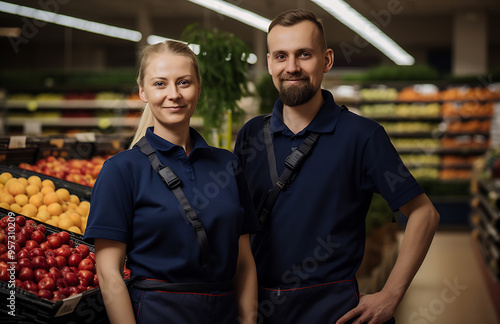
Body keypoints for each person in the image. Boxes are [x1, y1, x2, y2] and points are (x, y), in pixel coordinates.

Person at [234, 9, 440, 324]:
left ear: (327, 60)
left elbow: (424, 213)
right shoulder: (251, 134)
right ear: (269, 63)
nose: (292, 67)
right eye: (280, 56)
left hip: (333, 309)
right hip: (261, 309)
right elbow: (238, 226)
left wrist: (391, 294)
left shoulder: (362, 136)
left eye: (304, 55)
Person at [83, 40, 259, 324]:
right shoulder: (121, 170)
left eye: (184, 82)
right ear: (143, 91)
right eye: (160, 84)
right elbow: (109, 273)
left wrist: (248, 320)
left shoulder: (227, 164)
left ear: (198, 88)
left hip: (223, 314)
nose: (173, 94)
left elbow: (244, 262)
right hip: (156, 313)